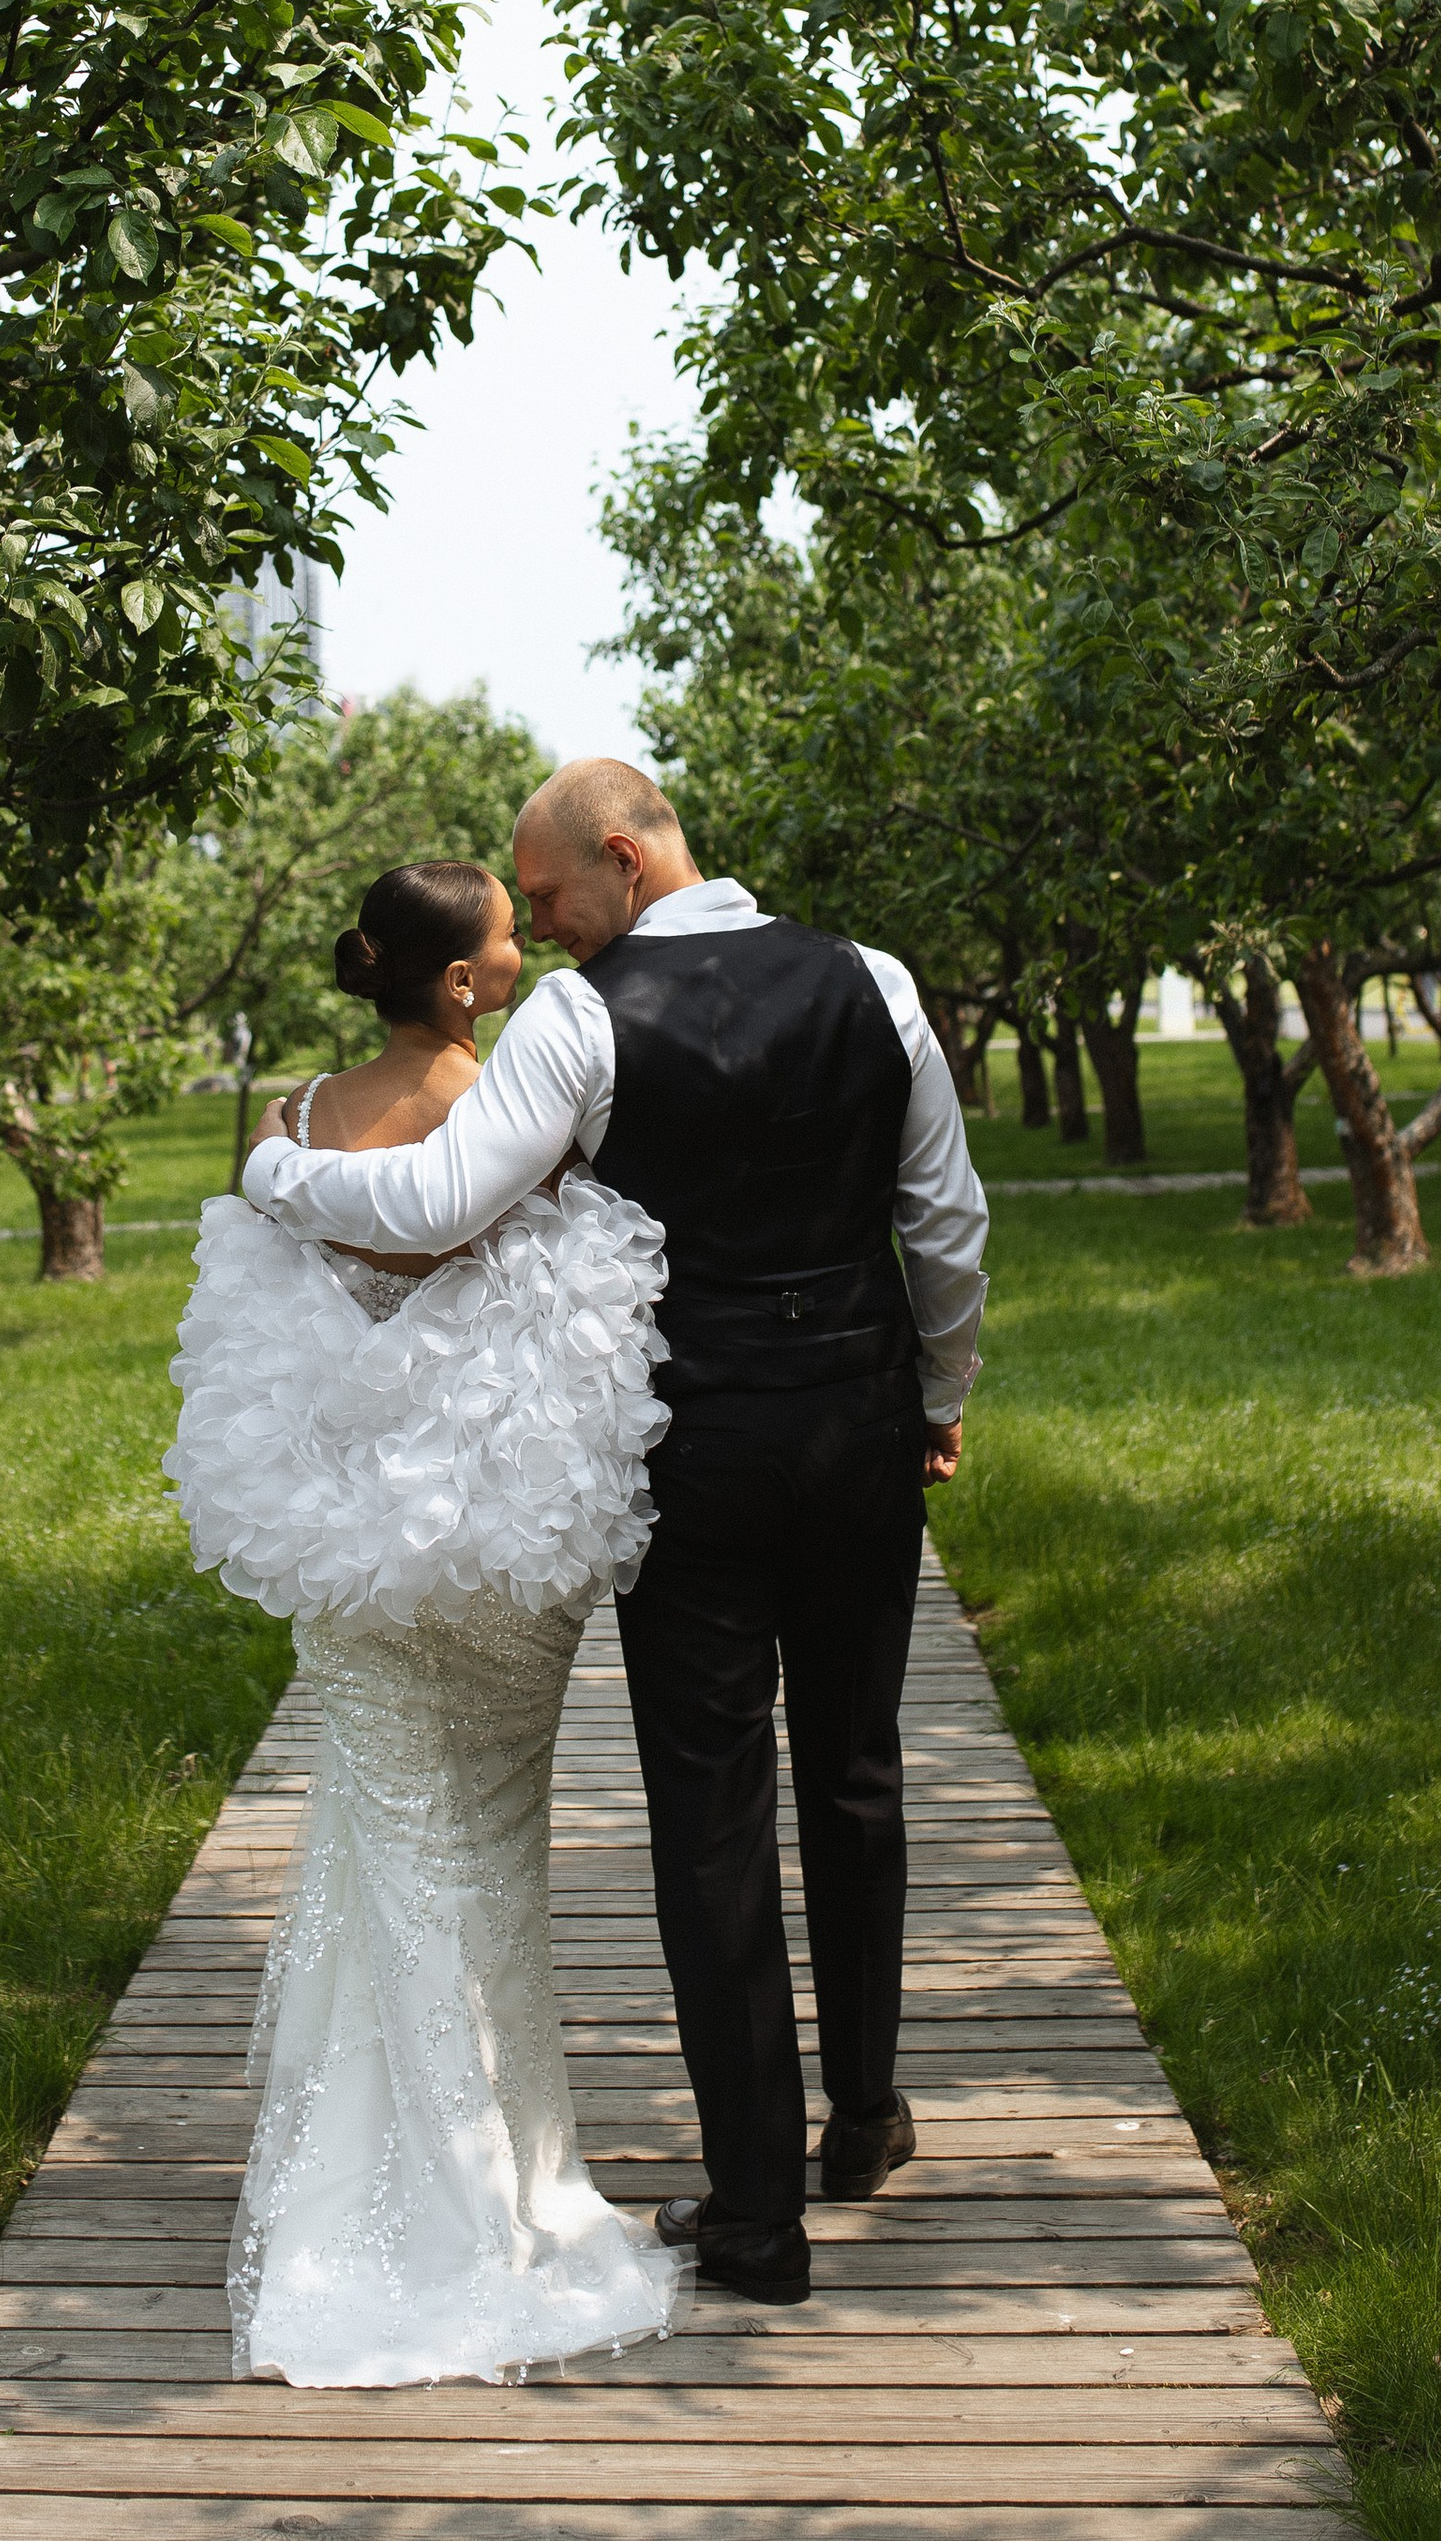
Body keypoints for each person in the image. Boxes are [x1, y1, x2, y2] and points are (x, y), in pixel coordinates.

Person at [243, 762, 989, 2312]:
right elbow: (944, 1220)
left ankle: (759, 2218)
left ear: (625, 857)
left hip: (695, 1449)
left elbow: (437, 1198)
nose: (548, 933)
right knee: (857, 1769)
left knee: (712, 1810)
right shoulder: (876, 982)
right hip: (858, 1428)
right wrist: (940, 1389)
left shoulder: (582, 1021)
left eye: (553, 896)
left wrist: (271, 1166)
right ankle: (864, 2115)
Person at [165, 856, 686, 2389]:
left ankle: (375, 2196)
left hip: (345, 1538)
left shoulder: (301, 1115)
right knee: (498, 1851)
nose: (529, 948)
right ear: (460, 981)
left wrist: (275, 1167)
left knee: (391, 1843)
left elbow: (335, 1269)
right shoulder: (509, 1109)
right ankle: (506, 2190)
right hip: (493, 1538)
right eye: (512, 935)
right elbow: (455, 1245)